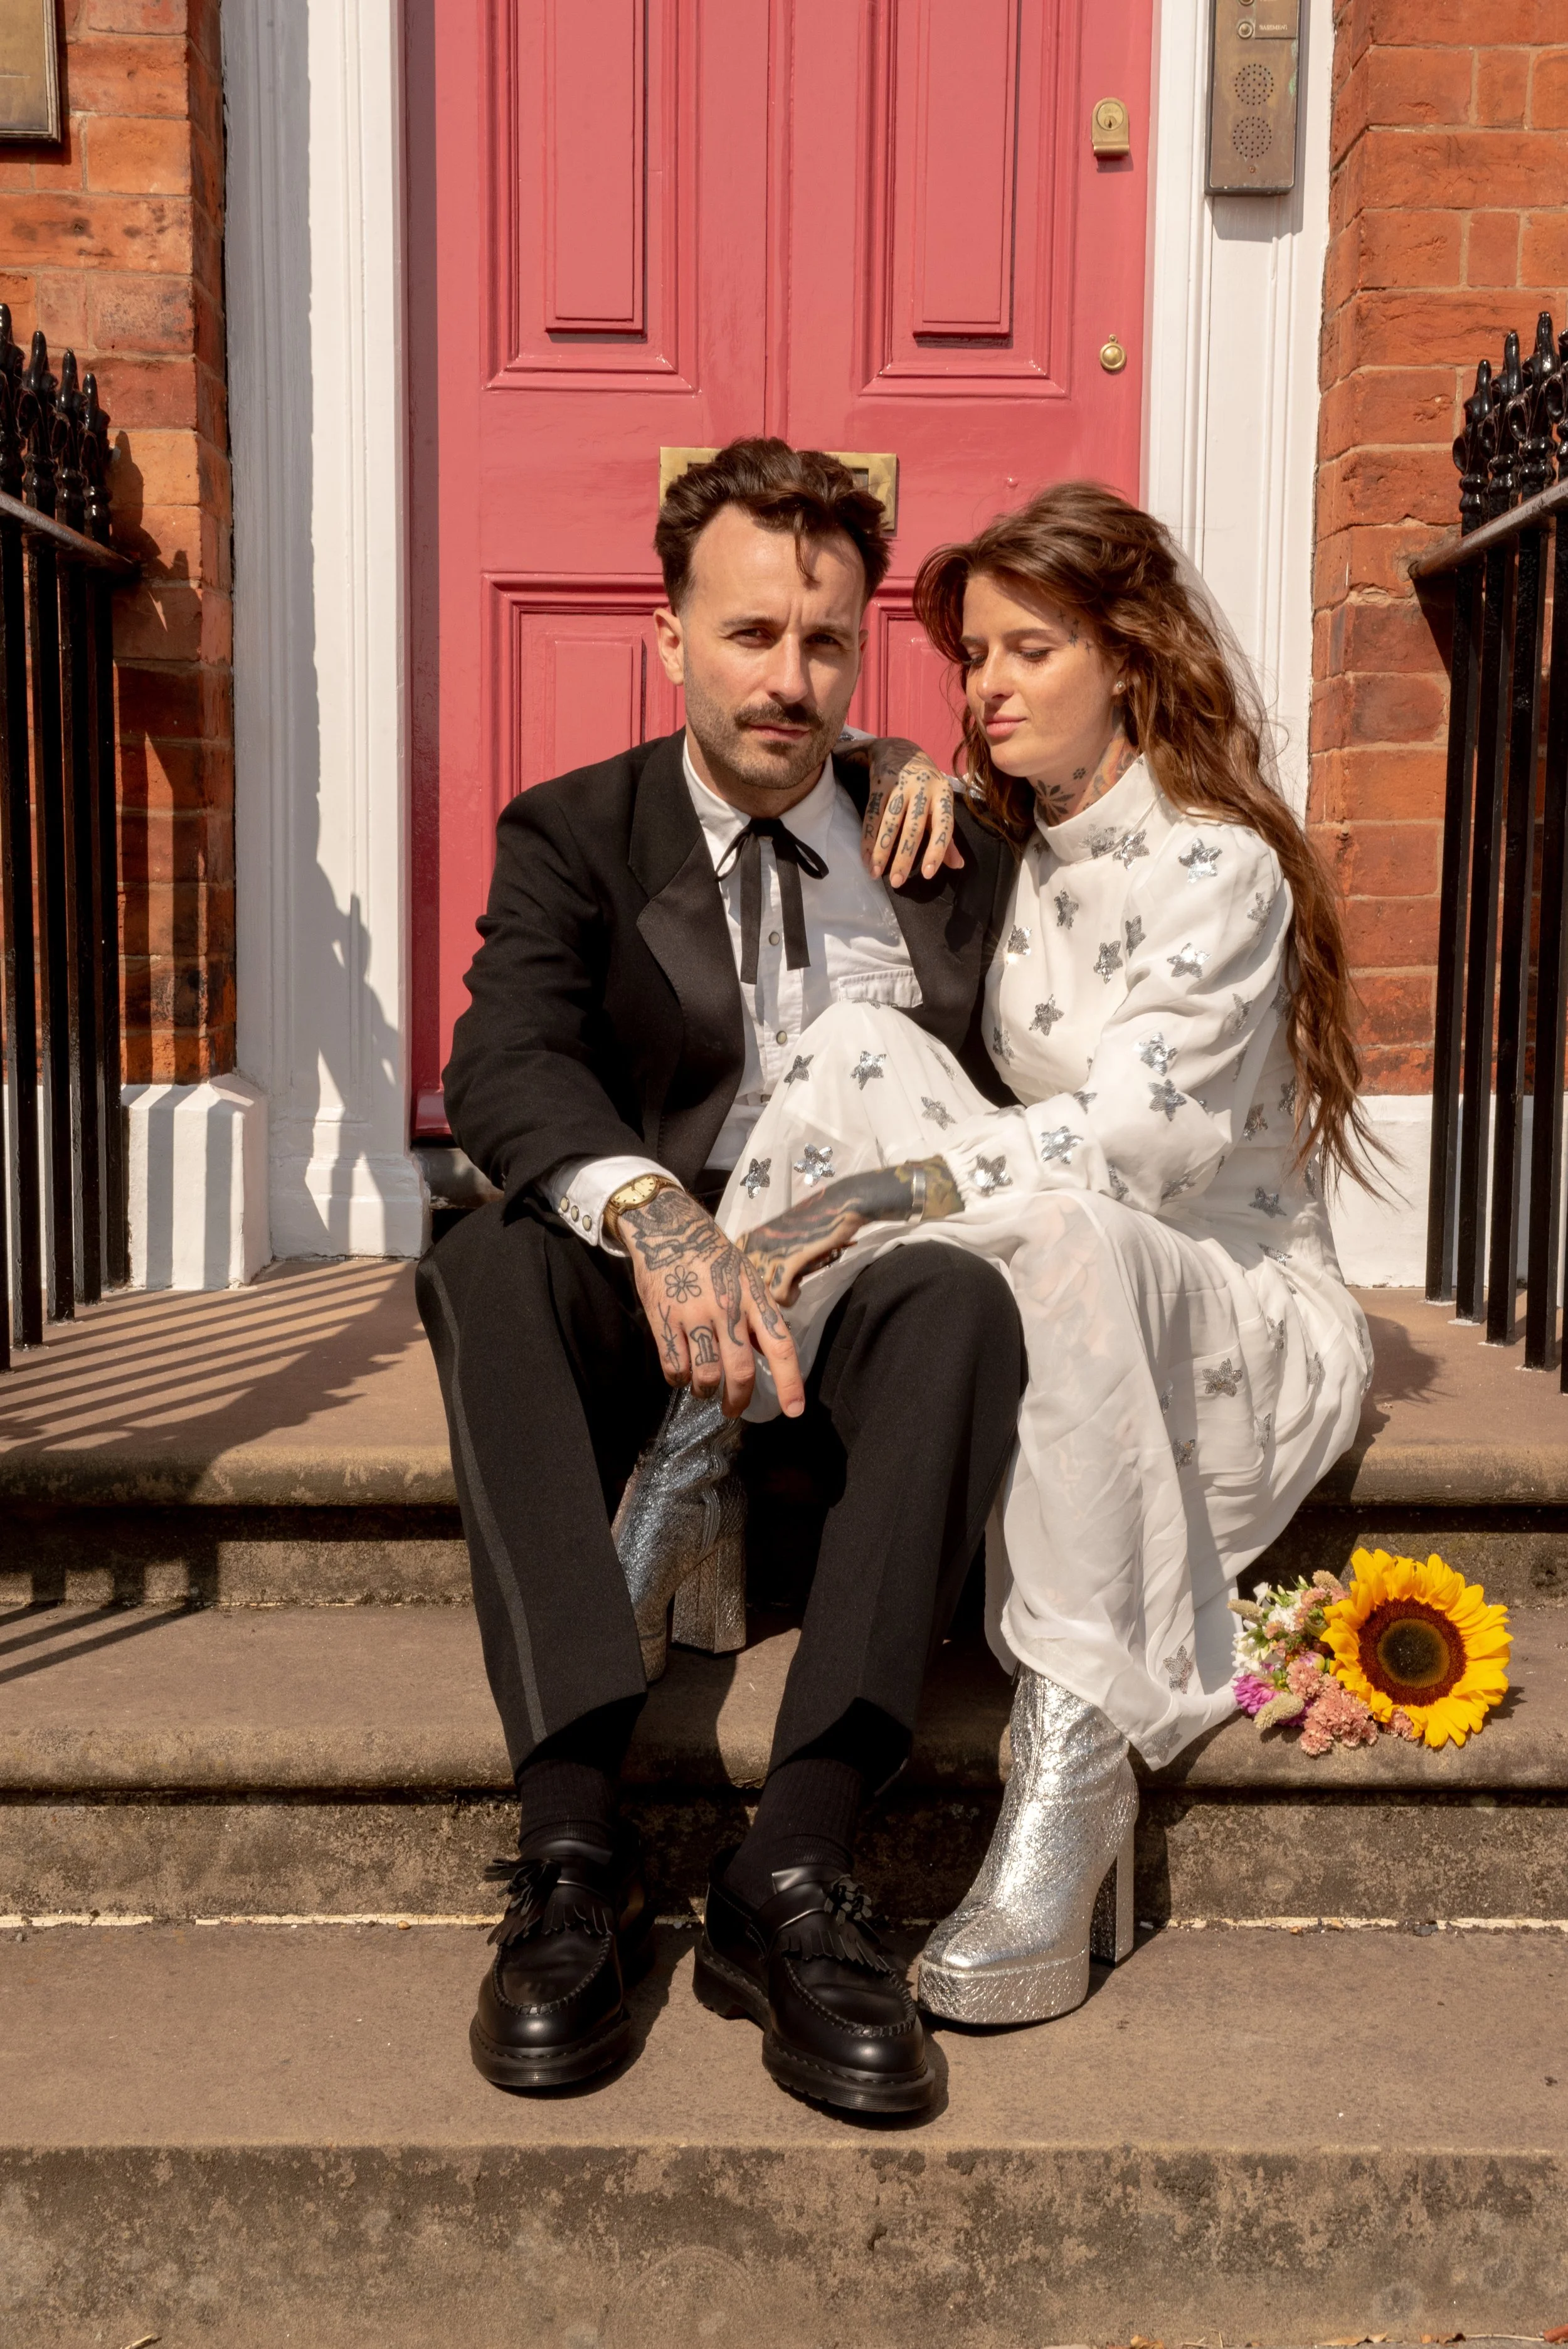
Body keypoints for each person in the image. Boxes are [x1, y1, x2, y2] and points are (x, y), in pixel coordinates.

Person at [692, 480, 1375, 2028]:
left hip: (1227, 1309)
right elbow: (812, 775)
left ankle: (1067, 1789)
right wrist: (887, 761)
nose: (987, 687)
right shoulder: (1015, 836)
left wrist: (867, 1205)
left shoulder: (1220, 866)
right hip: (1075, 1263)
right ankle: (701, 1442)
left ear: (1125, 659)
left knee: (1066, 1223)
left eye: (1026, 651)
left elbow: (1140, 1139)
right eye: (971, 659)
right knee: (858, 1033)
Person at [417, 439, 1027, 2118]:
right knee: (483, 1259)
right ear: (669, 635)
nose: (791, 680)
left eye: (828, 643)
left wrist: (927, 762)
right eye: (751, 636)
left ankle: (796, 1868)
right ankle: (569, 1852)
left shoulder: (939, 847)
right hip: (649, 1314)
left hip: (858, 1300)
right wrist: (650, 1221)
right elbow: (506, 1064)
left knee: (964, 1300)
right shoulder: (576, 833)